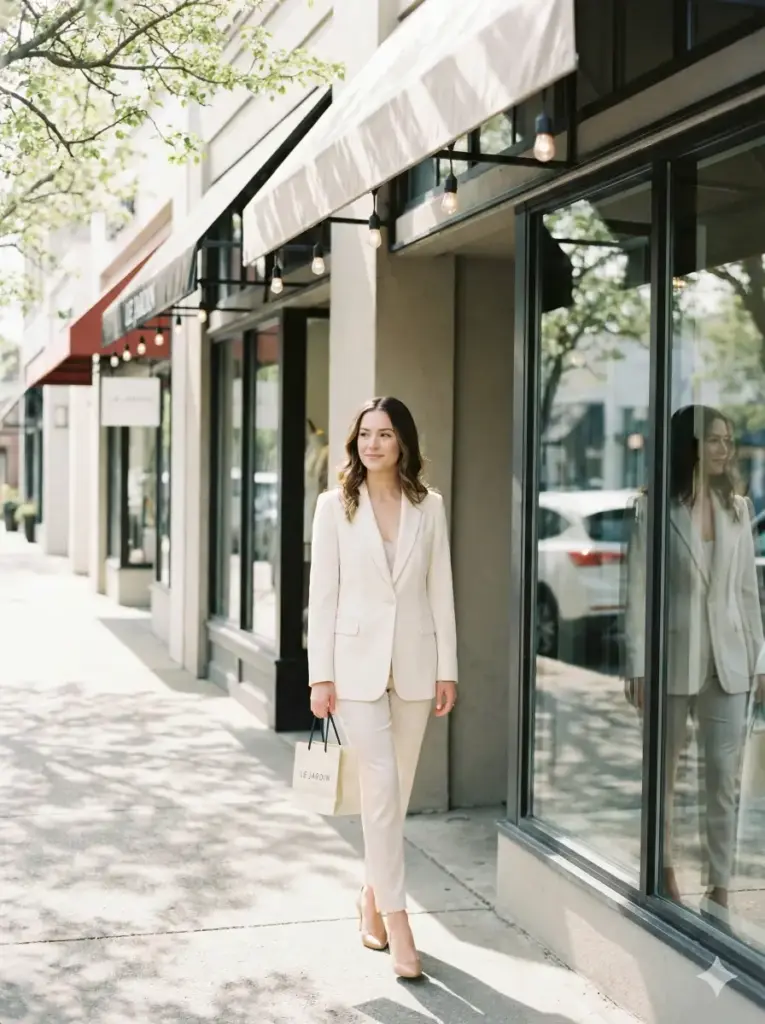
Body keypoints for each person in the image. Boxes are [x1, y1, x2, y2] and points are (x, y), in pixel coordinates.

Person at [307, 396, 458, 979]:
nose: (373, 444)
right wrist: (320, 673)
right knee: (382, 787)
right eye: (365, 434)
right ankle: (398, 918)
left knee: (394, 794)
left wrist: (449, 668)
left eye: (386, 435)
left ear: (403, 444)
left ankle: (369, 896)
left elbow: (440, 589)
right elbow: (322, 595)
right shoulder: (334, 506)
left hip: (417, 666)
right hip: (354, 669)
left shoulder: (430, 506)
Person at [625, 404, 765, 928]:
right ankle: (662, 872)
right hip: (671, 661)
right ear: (690, 446)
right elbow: (640, 591)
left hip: (729, 662)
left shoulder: (739, 508)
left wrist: (759, 657)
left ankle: (720, 891)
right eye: (714, 440)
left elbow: (748, 592)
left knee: (724, 780)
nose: (724, 449)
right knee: (664, 776)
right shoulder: (653, 509)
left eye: (728, 441)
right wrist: (638, 664)